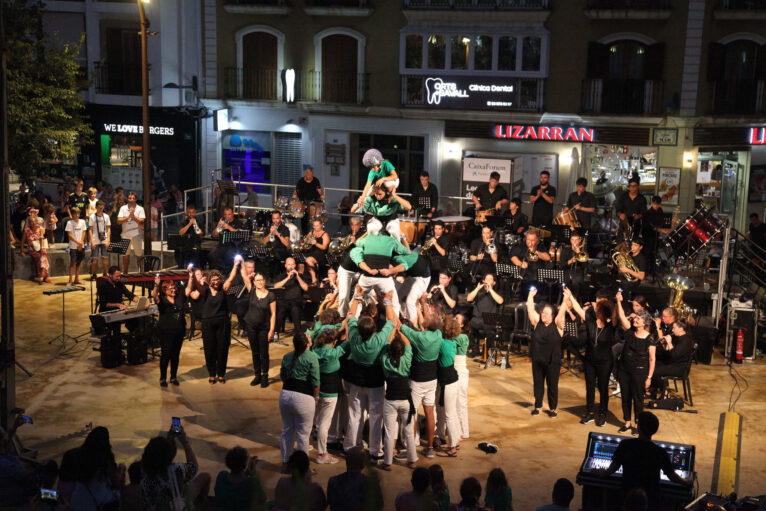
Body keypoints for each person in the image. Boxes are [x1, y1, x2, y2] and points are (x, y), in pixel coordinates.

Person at [342, 288, 398, 461]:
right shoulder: (379, 339)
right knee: (375, 416)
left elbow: (351, 314)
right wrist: (388, 301)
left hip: (356, 382)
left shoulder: (354, 335)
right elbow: (393, 321)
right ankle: (375, 450)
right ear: (374, 328)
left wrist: (357, 296)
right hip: (375, 383)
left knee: (355, 414)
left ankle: (351, 446)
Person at [598, 411, 691, 510]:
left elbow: (612, 469)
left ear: (639, 428)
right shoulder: (660, 452)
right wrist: (686, 482)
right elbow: (672, 476)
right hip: (651, 500)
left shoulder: (625, 445)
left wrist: (599, 472)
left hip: (628, 495)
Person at [567, 289, 616, 427]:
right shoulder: (591, 320)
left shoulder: (611, 325)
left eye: (599, 308)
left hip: (605, 362)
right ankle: (589, 412)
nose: (596, 309)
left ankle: (602, 414)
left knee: (603, 388)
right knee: (589, 387)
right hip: (590, 360)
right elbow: (577, 309)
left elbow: (618, 316)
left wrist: (618, 301)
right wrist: (570, 295)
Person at [615, 292, 656, 434]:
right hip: (624, 369)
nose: (635, 320)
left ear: (644, 322)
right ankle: (627, 423)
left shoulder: (649, 338)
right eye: (635, 318)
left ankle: (638, 425)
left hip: (639, 372)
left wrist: (649, 377)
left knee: (638, 400)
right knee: (625, 397)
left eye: (638, 318)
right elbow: (621, 317)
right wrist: (618, 302)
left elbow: (652, 359)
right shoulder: (630, 332)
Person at [140, 432, 210, 511]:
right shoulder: (176, 470)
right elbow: (194, 467)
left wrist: (168, 441)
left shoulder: (144, 476)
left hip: (158, 506)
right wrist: (185, 443)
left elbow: (160, 458)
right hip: (179, 503)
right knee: (205, 476)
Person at [279, 333, 320, 465]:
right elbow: (316, 382)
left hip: (285, 395)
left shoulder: (286, 356)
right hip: (303, 397)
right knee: (303, 435)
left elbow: (282, 376)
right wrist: (316, 397)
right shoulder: (312, 357)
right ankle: (303, 469)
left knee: (287, 430)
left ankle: (285, 463)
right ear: (307, 344)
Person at [527, 287, 567, 417]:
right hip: (538, 360)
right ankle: (538, 406)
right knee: (538, 383)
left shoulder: (558, 326)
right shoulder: (537, 323)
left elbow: (562, 313)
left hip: (552, 362)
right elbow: (530, 309)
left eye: (546, 313)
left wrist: (566, 298)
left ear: (552, 316)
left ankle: (553, 408)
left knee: (552, 385)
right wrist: (530, 296)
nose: (543, 314)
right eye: (542, 312)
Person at [380, 332, 417, 470]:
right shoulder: (406, 359)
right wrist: (400, 331)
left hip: (390, 401)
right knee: (408, 431)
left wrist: (391, 334)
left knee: (389, 432)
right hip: (405, 401)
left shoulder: (385, 360)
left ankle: (387, 462)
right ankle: (412, 460)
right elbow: (408, 344)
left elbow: (385, 346)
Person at [312, 328, 348, 465]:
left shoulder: (315, 349)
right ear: (334, 341)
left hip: (317, 390)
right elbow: (348, 343)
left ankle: (308, 446)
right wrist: (348, 327)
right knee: (324, 425)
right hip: (330, 392)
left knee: (314, 420)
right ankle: (322, 454)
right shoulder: (333, 353)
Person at [188, 269, 230, 384]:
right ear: (209, 280)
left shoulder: (223, 289)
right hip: (208, 322)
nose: (216, 282)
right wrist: (192, 276)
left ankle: (221, 374)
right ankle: (212, 373)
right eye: (213, 280)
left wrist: (236, 266)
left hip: (222, 321)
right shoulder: (205, 290)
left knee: (222, 348)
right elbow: (197, 288)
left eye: (217, 280)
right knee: (209, 348)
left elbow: (230, 279)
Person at [69, 426, 124, 511]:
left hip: (78, 501)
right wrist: (121, 471)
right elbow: (116, 483)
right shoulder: (106, 458)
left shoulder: (79, 455)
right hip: (99, 502)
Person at [240, 263, 277, 388]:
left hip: (264, 328)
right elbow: (244, 275)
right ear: (254, 282)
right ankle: (257, 375)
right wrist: (240, 263)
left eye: (261, 280)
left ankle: (265, 375)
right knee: (255, 352)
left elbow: (273, 314)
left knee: (264, 353)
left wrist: (271, 330)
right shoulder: (252, 291)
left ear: (265, 281)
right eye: (257, 280)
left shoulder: (271, 295)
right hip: (251, 326)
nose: (259, 282)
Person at [433, 311, 461, 458]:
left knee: (449, 414)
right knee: (452, 413)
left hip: (447, 382)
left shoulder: (442, 343)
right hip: (452, 379)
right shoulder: (452, 343)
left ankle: (452, 449)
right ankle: (454, 442)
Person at [153, 275, 186, 387]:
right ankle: (163, 378)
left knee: (175, 355)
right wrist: (156, 284)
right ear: (164, 290)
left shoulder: (179, 297)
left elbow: (188, 289)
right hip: (166, 332)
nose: (173, 290)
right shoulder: (162, 300)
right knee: (165, 355)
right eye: (170, 288)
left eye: (174, 288)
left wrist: (191, 277)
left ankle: (173, 377)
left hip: (179, 331)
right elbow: (154, 296)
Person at [443, 315, 470, 441]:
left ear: (462, 325)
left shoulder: (462, 337)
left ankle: (463, 432)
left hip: (461, 373)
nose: (454, 319)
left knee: (460, 403)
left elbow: (450, 336)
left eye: (457, 319)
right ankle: (457, 431)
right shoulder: (455, 336)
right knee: (454, 403)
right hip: (455, 372)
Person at [214, 447, 266, 511]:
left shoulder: (222, 475)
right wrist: (254, 474)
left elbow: (236, 479)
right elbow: (262, 499)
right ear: (244, 465)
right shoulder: (251, 482)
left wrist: (246, 473)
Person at [326, 447, 377, 511]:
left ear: (346, 462)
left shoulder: (333, 481)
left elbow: (330, 502)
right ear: (363, 464)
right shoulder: (370, 484)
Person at [652, 320, 693, 397]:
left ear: (681, 329)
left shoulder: (685, 341)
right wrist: (664, 343)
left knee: (653, 371)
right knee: (652, 365)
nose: (672, 330)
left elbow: (674, 355)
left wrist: (669, 343)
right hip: (674, 363)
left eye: (674, 328)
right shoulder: (677, 337)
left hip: (680, 368)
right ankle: (654, 389)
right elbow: (670, 353)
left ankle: (665, 391)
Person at [466, 273, 504, 356]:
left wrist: (490, 290)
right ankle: (475, 349)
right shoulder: (479, 292)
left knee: (491, 332)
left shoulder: (497, 292)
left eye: (490, 279)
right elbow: (468, 298)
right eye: (486, 279)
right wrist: (477, 288)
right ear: (483, 281)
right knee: (468, 328)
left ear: (494, 282)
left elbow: (500, 301)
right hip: (477, 319)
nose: (488, 281)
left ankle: (485, 350)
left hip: (489, 319)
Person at [274, 257, 311, 334]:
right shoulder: (281, 276)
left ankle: (298, 335)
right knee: (280, 312)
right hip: (283, 301)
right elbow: (276, 286)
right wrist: (288, 278)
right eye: (289, 264)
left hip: (296, 301)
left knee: (295, 310)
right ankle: (275, 334)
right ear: (285, 266)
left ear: (295, 266)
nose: (291, 266)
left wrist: (297, 277)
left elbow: (306, 288)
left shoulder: (300, 276)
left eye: (292, 264)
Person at [511, 230, 551, 300]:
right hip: (524, 278)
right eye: (528, 240)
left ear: (537, 240)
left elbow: (547, 257)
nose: (530, 242)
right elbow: (512, 256)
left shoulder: (540, 246)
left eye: (532, 240)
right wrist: (520, 263)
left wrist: (536, 252)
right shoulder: (521, 246)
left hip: (538, 279)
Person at [117, 191, 146, 273]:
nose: (131, 200)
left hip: (137, 235)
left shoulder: (140, 208)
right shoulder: (123, 208)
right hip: (125, 235)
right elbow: (119, 221)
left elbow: (142, 221)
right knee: (125, 256)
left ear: (136, 199)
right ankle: (125, 273)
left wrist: (133, 216)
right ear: (127, 199)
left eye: (133, 198)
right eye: (130, 198)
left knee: (139, 255)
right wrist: (128, 217)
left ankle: (141, 273)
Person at [209, 206, 244, 272]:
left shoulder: (238, 222)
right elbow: (213, 235)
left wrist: (228, 227)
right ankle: (221, 271)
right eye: (225, 214)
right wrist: (218, 226)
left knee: (229, 255)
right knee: (212, 254)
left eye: (229, 214)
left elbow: (240, 235)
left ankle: (227, 271)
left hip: (233, 246)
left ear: (232, 214)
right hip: (221, 246)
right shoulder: (222, 222)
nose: (227, 216)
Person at [20, 210, 50, 284]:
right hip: (32, 248)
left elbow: (42, 238)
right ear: (29, 223)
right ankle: (45, 275)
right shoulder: (26, 230)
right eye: (31, 222)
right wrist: (22, 251)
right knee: (40, 256)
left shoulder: (40, 229)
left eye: (34, 221)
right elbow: (23, 241)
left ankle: (40, 275)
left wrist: (42, 248)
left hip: (40, 247)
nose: (33, 223)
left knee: (42, 254)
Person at [293, 166, 325, 233]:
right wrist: (294, 196)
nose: (309, 176)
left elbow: (319, 190)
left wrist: (322, 195)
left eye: (310, 174)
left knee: (315, 218)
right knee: (304, 219)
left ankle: (315, 232)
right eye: (307, 174)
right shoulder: (301, 181)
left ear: (312, 173)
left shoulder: (316, 180)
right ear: (305, 173)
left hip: (313, 201)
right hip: (304, 202)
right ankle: (305, 234)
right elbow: (296, 190)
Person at [175, 203, 203, 268]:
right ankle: (181, 267)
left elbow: (201, 236)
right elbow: (180, 233)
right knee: (178, 251)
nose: (191, 214)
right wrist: (189, 224)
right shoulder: (184, 222)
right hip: (185, 245)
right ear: (187, 213)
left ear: (195, 213)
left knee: (195, 251)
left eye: (192, 212)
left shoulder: (199, 222)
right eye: (189, 213)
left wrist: (195, 225)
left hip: (195, 244)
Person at [89, 200, 111, 279]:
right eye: (99, 207)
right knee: (94, 260)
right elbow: (90, 230)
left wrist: (108, 240)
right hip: (95, 240)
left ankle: (105, 274)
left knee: (105, 259)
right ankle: (94, 275)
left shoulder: (106, 216)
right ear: (96, 207)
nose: (101, 208)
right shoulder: (92, 217)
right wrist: (91, 241)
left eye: (102, 207)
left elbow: (108, 229)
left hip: (104, 240)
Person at [65, 206, 87, 285]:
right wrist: (78, 243)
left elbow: (84, 232)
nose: (77, 215)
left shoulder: (82, 222)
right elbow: (69, 235)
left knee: (79, 262)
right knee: (72, 262)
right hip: (74, 246)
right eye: (75, 214)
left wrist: (81, 243)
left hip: (81, 245)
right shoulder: (69, 223)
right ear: (72, 214)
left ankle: (76, 279)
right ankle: (70, 280)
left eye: (78, 213)